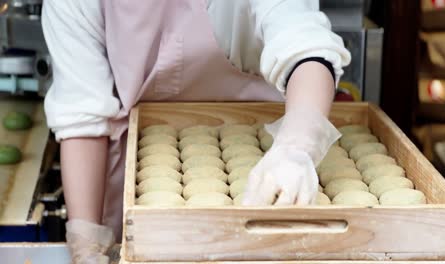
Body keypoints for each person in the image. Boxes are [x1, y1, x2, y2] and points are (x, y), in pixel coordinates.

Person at [42, 0, 350, 263]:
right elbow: (82, 115)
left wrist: (296, 147)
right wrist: (87, 238)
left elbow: (306, 47)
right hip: (142, 184)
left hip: (270, 161)